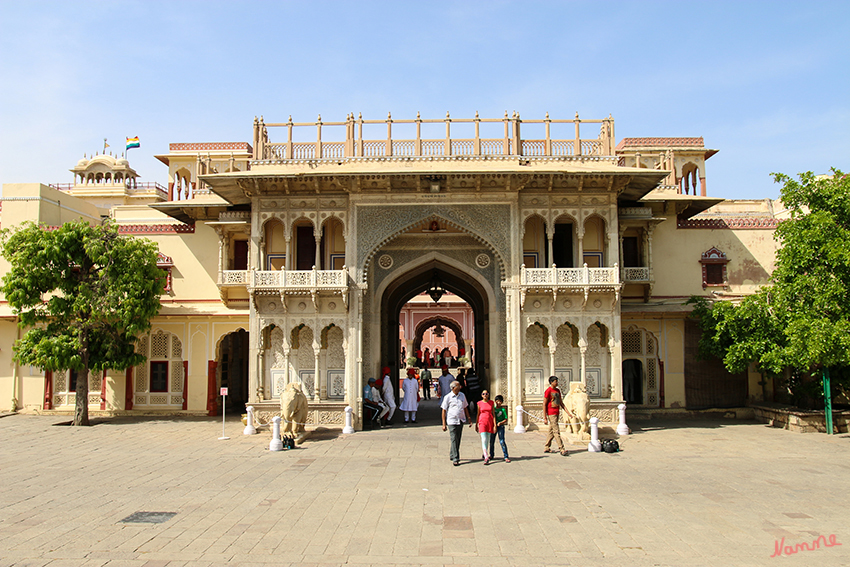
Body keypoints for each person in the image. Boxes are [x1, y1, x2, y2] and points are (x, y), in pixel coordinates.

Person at [441, 380, 472, 466]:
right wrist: (444, 424)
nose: (460, 387)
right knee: (453, 438)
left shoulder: (462, 395)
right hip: (451, 421)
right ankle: (456, 457)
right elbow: (444, 410)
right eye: (458, 386)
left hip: (460, 420)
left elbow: (465, 407)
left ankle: (452, 453)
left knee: (457, 438)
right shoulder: (448, 397)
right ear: (453, 388)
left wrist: (469, 418)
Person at [543, 376, 574, 456]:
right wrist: (545, 417)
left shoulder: (557, 391)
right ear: (551, 382)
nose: (557, 383)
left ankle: (547, 447)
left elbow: (561, 403)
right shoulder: (548, 391)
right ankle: (561, 448)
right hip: (551, 413)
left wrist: (568, 413)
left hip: (556, 412)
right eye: (555, 382)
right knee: (556, 431)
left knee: (551, 431)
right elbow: (544, 404)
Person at [475, 390, 495, 465]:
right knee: (484, 439)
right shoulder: (479, 403)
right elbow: (478, 413)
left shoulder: (491, 403)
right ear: (481, 395)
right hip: (482, 421)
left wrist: (495, 424)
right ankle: (486, 456)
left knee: (488, 439)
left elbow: (493, 414)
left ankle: (485, 452)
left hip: (489, 421)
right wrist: (476, 424)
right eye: (483, 394)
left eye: (486, 394)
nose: (485, 395)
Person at [489, 394, 510, 463]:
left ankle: (506, 456)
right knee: (492, 441)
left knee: (502, 441)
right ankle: (491, 454)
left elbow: (506, 419)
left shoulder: (503, 410)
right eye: (497, 401)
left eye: (500, 401)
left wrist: (501, 423)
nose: (498, 403)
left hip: (500, 426)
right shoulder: (493, 409)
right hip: (494, 426)